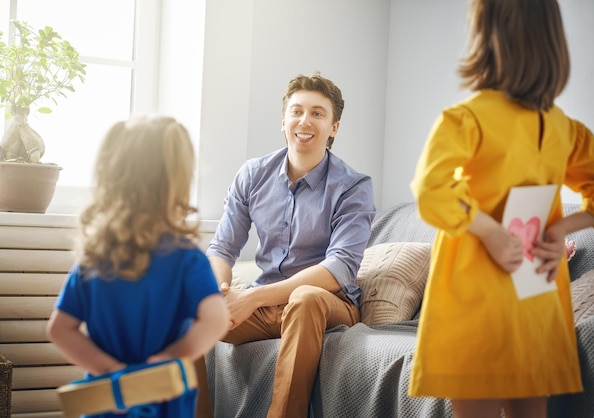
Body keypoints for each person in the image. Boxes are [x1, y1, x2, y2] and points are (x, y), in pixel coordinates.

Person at [407, 0, 594, 417]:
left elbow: (430, 189)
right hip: (536, 301)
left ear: (487, 40)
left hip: (475, 304)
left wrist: (488, 231)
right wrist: (563, 229)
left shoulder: (465, 119)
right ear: (551, 43)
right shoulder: (563, 128)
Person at [204, 72, 376, 417]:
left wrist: (251, 297)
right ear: (283, 121)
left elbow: (339, 266)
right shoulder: (252, 175)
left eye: (317, 113)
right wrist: (217, 292)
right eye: (297, 111)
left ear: (334, 128)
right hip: (266, 302)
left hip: (326, 303)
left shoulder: (353, 186)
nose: (305, 121)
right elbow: (223, 248)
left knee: (304, 297)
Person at [46, 116, 230, 418]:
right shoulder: (186, 260)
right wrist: (169, 357)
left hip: (108, 397)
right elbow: (216, 320)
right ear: (175, 183)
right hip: (164, 395)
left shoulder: (93, 258)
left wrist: (111, 370)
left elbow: (60, 329)